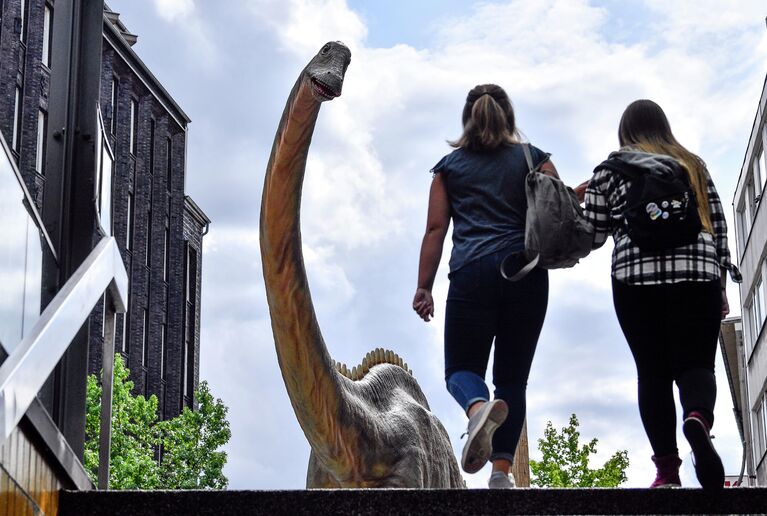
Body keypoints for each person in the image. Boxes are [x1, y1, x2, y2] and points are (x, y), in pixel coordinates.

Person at [575, 99, 740, 490]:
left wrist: (573, 200)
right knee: (697, 365)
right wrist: (719, 281)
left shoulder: (608, 171)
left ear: (624, 131)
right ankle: (697, 417)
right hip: (696, 272)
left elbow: (593, 235)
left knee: (652, 372)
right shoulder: (691, 164)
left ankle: (667, 472)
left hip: (635, 278)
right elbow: (715, 222)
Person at [413, 84, 558, 488]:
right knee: (513, 379)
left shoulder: (448, 168)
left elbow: (435, 229)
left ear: (468, 117)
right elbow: (558, 207)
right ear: (508, 116)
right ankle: (500, 474)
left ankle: (478, 408)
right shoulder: (534, 159)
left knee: (461, 370)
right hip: (525, 273)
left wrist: (424, 287)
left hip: (471, 275)